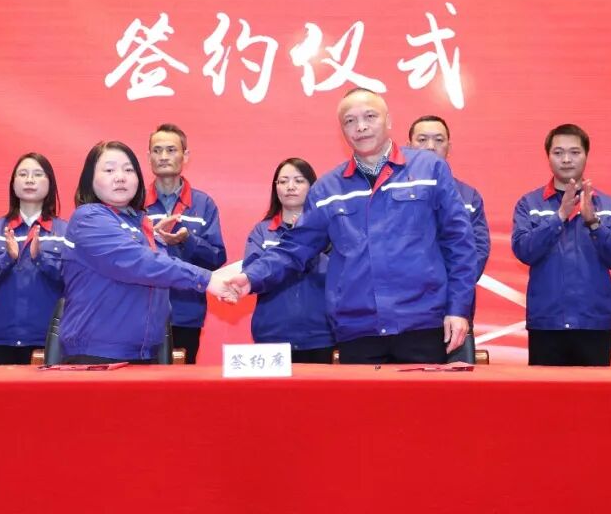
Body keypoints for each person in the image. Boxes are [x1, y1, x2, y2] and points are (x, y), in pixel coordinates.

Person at [227, 88, 478, 365]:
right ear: (342, 130)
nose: (361, 126)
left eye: (370, 116)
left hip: (422, 325)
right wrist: (251, 277)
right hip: (358, 331)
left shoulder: (430, 169)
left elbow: (459, 242)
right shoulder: (327, 188)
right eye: (350, 120)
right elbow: (294, 248)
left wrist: (458, 308)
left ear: (388, 120)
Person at [58, 141, 236, 364]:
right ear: (90, 179)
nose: (120, 177)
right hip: (97, 355)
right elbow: (139, 262)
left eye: (128, 170)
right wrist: (206, 280)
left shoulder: (141, 223)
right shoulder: (88, 218)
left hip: (145, 352)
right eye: (109, 170)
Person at [511, 123, 611, 366]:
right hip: (547, 323)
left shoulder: (608, 205)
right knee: (546, 391)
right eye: (558, 153)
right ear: (548, 156)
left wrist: (594, 223)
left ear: (586, 155)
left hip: (593, 322)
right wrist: (559, 216)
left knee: (593, 391)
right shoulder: (529, 203)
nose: (566, 159)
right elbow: (524, 251)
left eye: (574, 152)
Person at [0, 153, 68, 365]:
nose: (29, 180)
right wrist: (7, 258)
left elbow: (75, 280)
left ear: (50, 183)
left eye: (37, 174)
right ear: (13, 184)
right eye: (23, 174)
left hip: (49, 339)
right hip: (1, 340)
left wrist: (41, 259)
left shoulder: (64, 231)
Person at [144, 123, 227, 363]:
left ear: (185, 156)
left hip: (186, 312)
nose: (163, 156)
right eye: (157, 150)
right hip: (142, 314)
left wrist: (187, 240)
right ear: (148, 157)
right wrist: (152, 238)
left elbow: (216, 258)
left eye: (171, 150)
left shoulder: (203, 204)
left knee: (180, 381)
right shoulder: (135, 203)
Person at [408, 115, 492, 350]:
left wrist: (449, 289)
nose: (430, 146)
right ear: (408, 146)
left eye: (438, 140)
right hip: (408, 310)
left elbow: (477, 252)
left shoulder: (469, 196)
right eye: (422, 140)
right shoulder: (393, 193)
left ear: (449, 146)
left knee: (455, 373)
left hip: (454, 308)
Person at [243, 158, 335, 364]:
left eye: (299, 181)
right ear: (275, 188)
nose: (290, 187)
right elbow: (252, 275)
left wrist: (308, 243)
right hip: (272, 335)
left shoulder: (329, 230)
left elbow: (340, 274)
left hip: (321, 335)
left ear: (312, 187)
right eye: (283, 181)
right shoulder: (262, 231)